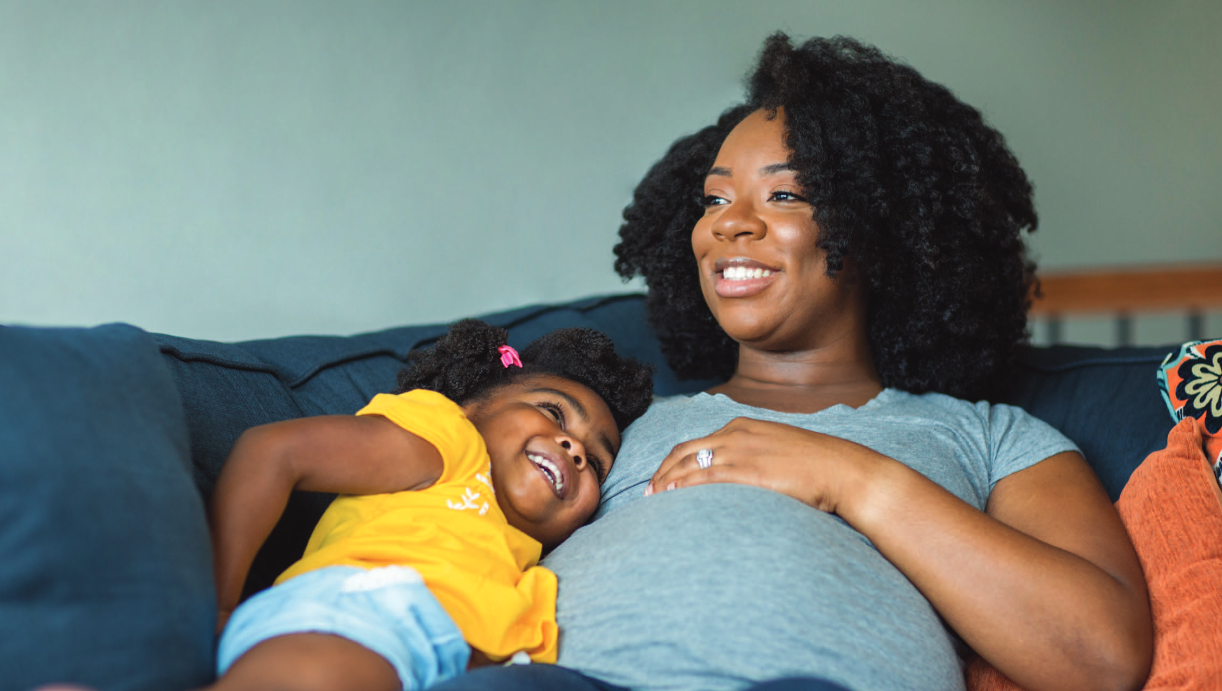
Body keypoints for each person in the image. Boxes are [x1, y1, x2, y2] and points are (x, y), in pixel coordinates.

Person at [432, 34, 1153, 691]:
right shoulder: (608, 424)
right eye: (714, 198)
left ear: (876, 229)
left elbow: (1101, 657)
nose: (728, 222)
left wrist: (847, 478)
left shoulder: (994, 439)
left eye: (784, 193)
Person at [202, 319, 654, 691]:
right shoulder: (449, 445)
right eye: (554, 412)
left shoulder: (529, 573)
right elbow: (274, 452)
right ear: (474, 405)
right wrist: (218, 604)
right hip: (355, 615)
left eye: (595, 462)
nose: (574, 448)